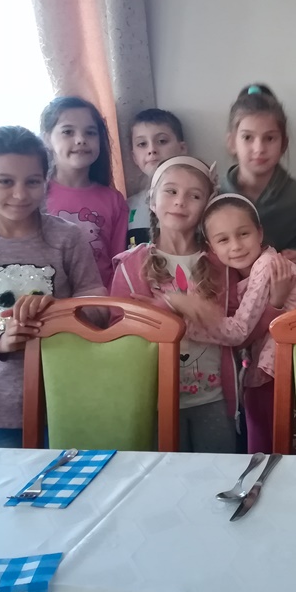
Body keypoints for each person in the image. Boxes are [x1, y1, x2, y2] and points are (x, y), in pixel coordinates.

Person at [0, 126, 105, 449]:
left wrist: (59, 312)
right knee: (13, 481)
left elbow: (99, 308)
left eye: (32, 182)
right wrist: (0, 341)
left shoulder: (68, 238)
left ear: (46, 180)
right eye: (5, 181)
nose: (20, 194)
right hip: (1, 405)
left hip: (70, 396)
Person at [110, 156, 238, 453]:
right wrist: (167, 308)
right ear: (152, 200)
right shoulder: (130, 266)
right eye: (171, 191)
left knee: (218, 471)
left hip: (214, 397)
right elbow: (117, 336)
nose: (180, 201)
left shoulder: (223, 264)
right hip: (154, 401)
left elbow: (240, 325)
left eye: (194, 195)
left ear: (207, 206)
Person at [198, 193, 296, 453]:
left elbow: (239, 331)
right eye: (223, 240)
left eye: (243, 234)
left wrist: (190, 321)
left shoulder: (266, 265)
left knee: (276, 447)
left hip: (290, 367)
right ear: (211, 247)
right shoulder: (234, 274)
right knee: (261, 440)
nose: (236, 246)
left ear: (259, 233)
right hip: (271, 365)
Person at [219, 84, 296, 270]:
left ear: (283, 143)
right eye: (248, 138)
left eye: (269, 138)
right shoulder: (213, 194)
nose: (259, 149)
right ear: (232, 142)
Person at [40, 96, 129, 288]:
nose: (81, 140)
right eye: (68, 132)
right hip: (48, 301)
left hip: (100, 302)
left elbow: (118, 265)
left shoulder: (113, 200)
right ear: (47, 139)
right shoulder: (36, 195)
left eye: (90, 132)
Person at [126, 108, 188, 247]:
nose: (152, 150)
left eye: (161, 141)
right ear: (134, 157)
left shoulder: (197, 201)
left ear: (182, 148)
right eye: (142, 144)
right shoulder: (127, 207)